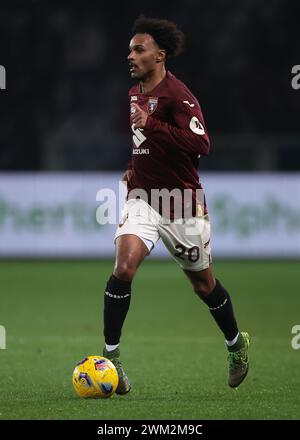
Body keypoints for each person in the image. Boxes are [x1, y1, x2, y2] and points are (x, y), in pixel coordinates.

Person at [102, 15, 250, 394]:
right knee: (124, 267)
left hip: (182, 204)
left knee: (204, 286)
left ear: (160, 55)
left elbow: (202, 145)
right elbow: (144, 144)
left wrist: (152, 124)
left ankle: (236, 344)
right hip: (144, 200)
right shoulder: (135, 92)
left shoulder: (177, 95)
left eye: (139, 49)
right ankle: (111, 360)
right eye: (130, 49)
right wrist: (133, 169)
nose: (130, 55)